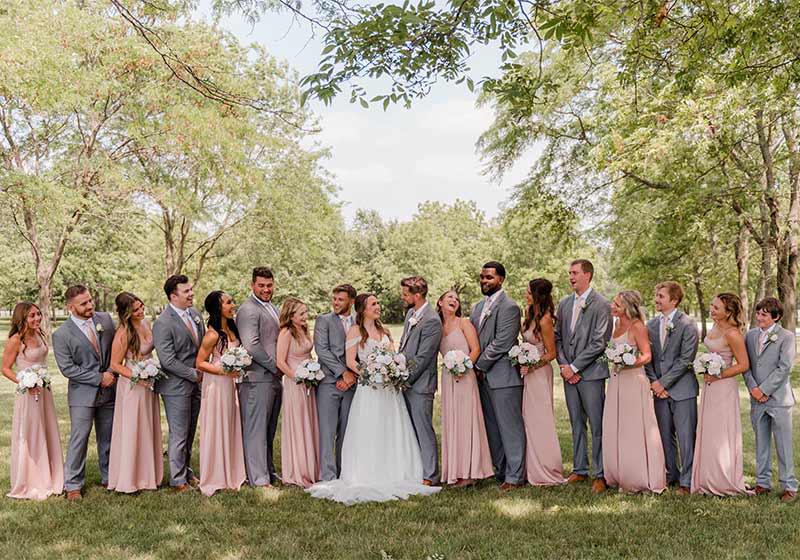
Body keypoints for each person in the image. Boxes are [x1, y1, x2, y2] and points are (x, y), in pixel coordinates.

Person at [307, 293, 441, 505]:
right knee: (370, 429)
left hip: (388, 390)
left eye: (378, 303)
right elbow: (351, 361)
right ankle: (367, 472)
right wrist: (369, 373)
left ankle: (397, 470)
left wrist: (390, 371)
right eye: (374, 304)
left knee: (390, 427)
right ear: (363, 309)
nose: (378, 306)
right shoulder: (354, 331)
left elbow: (394, 356)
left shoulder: (384, 330)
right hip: (368, 389)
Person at [53, 284, 117, 500]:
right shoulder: (61, 335)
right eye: (84, 303)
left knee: (108, 436)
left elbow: (116, 350)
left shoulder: (106, 320)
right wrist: (99, 378)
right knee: (79, 439)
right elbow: (67, 369)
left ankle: (109, 476)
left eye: (90, 300)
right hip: (82, 394)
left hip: (110, 389)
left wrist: (110, 372)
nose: (90, 305)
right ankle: (72, 484)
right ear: (71, 307)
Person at [554, 259, 612, 493]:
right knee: (576, 423)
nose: (571, 277)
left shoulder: (602, 304)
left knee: (597, 424)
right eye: (569, 273)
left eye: (575, 273)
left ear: (587, 275)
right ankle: (579, 469)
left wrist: (576, 367)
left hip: (592, 375)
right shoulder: (565, 304)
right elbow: (558, 337)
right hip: (569, 373)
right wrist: (564, 365)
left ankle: (601, 473)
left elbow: (599, 342)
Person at [469, 261, 526, 489]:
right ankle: (501, 471)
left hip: (503, 377)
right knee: (492, 428)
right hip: (481, 378)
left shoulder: (510, 307)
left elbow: (502, 342)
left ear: (500, 279)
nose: (484, 281)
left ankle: (515, 476)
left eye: (489, 277)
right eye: (482, 277)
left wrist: (479, 365)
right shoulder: (476, 308)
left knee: (510, 428)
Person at [602, 291, 666, 493]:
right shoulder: (615, 324)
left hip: (633, 380)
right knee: (617, 425)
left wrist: (629, 363)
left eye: (617, 304)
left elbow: (646, 355)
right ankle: (618, 471)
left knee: (633, 427)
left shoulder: (638, 326)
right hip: (616, 381)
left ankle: (636, 475)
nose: (613, 306)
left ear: (627, 307)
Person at [691, 293, 752, 496]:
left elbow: (744, 364)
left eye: (716, 307)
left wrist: (718, 375)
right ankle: (706, 477)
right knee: (709, 431)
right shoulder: (715, 326)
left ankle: (723, 479)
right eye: (712, 305)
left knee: (721, 433)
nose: (712, 309)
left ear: (728, 312)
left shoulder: (733, 334)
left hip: (723, 387)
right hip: (710, 387)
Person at [2, 302, 63, 500]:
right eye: (32, 316)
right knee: (33, 433)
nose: (37, 318)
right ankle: (33, 480)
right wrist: (25, 382)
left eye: (38, 314)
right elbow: (5, 368)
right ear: (22, 319)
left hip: (44, 390)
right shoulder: (16, 340)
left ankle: (52, 476)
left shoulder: (38, 334)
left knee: (47, 429)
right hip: (28, 394)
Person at [644, 281, 699, 495]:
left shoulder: (687, 324)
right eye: (656, 295)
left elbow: (686, 360)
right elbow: (648, 358)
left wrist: (663, 383)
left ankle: (687, 480)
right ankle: (670, 474)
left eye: (661, 296)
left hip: (682, 390)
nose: (656, 299)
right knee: (664, 435)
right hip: (658, 390)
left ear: (674, 300)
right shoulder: (650, 325)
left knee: (686, 436)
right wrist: (654, 382)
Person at [152, 274, 205, 492]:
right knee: (179, 434)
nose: (191, 293)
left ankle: (187, 471)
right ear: (173, 296)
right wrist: (194, 374)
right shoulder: (163, 322)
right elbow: (167, 360)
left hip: (196, 384)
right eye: (186, 291)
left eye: (191, 289)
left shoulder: (194, 314)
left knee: (190, 432)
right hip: (175, 387)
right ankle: (177, 480)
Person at [107, 292, 163, 493]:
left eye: (141, 307)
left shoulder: (146, 323)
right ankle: (130, 478)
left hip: (149, 384)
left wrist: (150, 373)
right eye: (136, 310)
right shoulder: (123, 332)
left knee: (147, 426)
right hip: (132, 386)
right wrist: (137, 376)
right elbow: (114, 364)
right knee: (133, 429)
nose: (141, 312)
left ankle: (149, 476)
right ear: (126, 313)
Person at [437, 290, 494, 487]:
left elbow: (476, 348)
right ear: (440, 302)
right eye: (450, 297)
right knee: (452, 422)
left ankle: (470, 472)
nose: (454, 300)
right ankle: (454, 471)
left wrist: (464, 366)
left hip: (465, 375)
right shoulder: (437, 326)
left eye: (457, 298)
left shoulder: (464, 323)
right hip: (447, 377)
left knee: (466, 420)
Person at [743, 297, 797, 502]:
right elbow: (745, 364)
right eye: (758, 313)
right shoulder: (750, 336)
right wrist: (754, 389)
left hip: (779, 400)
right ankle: (762, 483)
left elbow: (784, 368)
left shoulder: (787, 337)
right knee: (761, 443)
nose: (759, 317)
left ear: (776, 317)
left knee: (783, 445)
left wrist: (765, 390)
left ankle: (789, 486)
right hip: (757, 399)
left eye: (764, 314)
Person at [195, 291, 247, 496]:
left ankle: (232, 471)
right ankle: (216, 475)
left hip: (231, 384)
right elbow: (199, 363)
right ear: (218, 308)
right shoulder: (212, 334)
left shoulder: (233, 328)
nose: (233, 305)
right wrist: (224, 370)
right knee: (217, 426)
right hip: (217, 385)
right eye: (228, 303)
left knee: (230, 425)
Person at [236, 267, 282, 487]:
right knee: (256, 430)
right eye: (261, 285)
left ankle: (268, 471)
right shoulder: (248, 310)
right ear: (252, 285)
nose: (266, 289)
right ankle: (258, 478)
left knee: (269, 428)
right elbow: (251, 345)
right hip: (257, 378)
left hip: (272, 377)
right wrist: (275, 366)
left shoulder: (272, 307)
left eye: (269, 285)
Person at [520, 279, 565, 486]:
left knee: (540, 419)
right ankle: (532, 467)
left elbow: (552, 353)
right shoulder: (530, 315)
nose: (525, 294)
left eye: (529, 292)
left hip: (539, 374)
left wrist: (532, 365)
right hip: (528, 373)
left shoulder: (545, 320)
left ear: (538, 295)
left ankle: (547, 469)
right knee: (528, 419)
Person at [399, 276, 443, 486]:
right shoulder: (410, 314)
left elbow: (424, 357)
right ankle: (415, 470)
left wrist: (405, 378)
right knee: (409, 428)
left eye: (405, 294)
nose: (402, 297)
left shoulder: (433, 320)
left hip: (421, 384)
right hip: (405, 381)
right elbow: (404, 346)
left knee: (423, 428)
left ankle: (431, 474)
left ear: (417, 296)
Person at [314, 284, 358, 481]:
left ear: (352, 301)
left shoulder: (361, 321)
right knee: (327, 431)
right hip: (329, 383)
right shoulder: (323, 320)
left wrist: (352, 377)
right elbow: (322, 350)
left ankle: (344, 472)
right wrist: (342, 373)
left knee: (347, 431)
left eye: (341, 299)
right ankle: (328, 476)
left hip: (353, 385)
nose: (336, 302)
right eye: (334, 299)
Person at [277, 297, 320, 488]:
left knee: (309, 422)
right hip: (295, 383)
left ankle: (312, 468)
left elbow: (308, 354)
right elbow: (280, 362)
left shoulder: (304, 329)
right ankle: (298, 470)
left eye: (305, 312)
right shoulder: (286, 333)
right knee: (298, 422)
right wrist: (297, 377)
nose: (305, 316)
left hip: (309, 381)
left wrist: (312, 371)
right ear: (291, 315)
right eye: (301, 313)